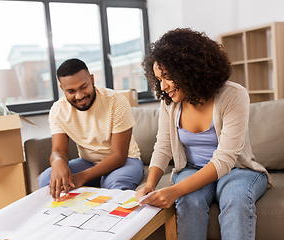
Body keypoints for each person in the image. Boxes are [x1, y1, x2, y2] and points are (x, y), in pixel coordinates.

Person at [135, 28, 271, 240]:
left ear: (190, 69)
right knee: (188, 201)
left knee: (236, 199)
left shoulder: (234, 95)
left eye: (168, 77)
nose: (164, 87)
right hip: (191, 168)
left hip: (237, 170)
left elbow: (225, 160)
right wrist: (150, 184)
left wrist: (175, 190)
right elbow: (163, 146)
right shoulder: (169, 102)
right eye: (159, 79)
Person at [39, 58, 143, 201]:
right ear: (62, 89)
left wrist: (82, 177)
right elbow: (58, 151)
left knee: (114, 186)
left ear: (92, 79)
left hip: (125, 161)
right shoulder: (58, 110)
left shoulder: (116, 101)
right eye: (71, 91)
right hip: (88, 162)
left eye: (83, 87)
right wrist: (57, 161)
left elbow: (119, 156)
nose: (79, 96)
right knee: (46, 180)